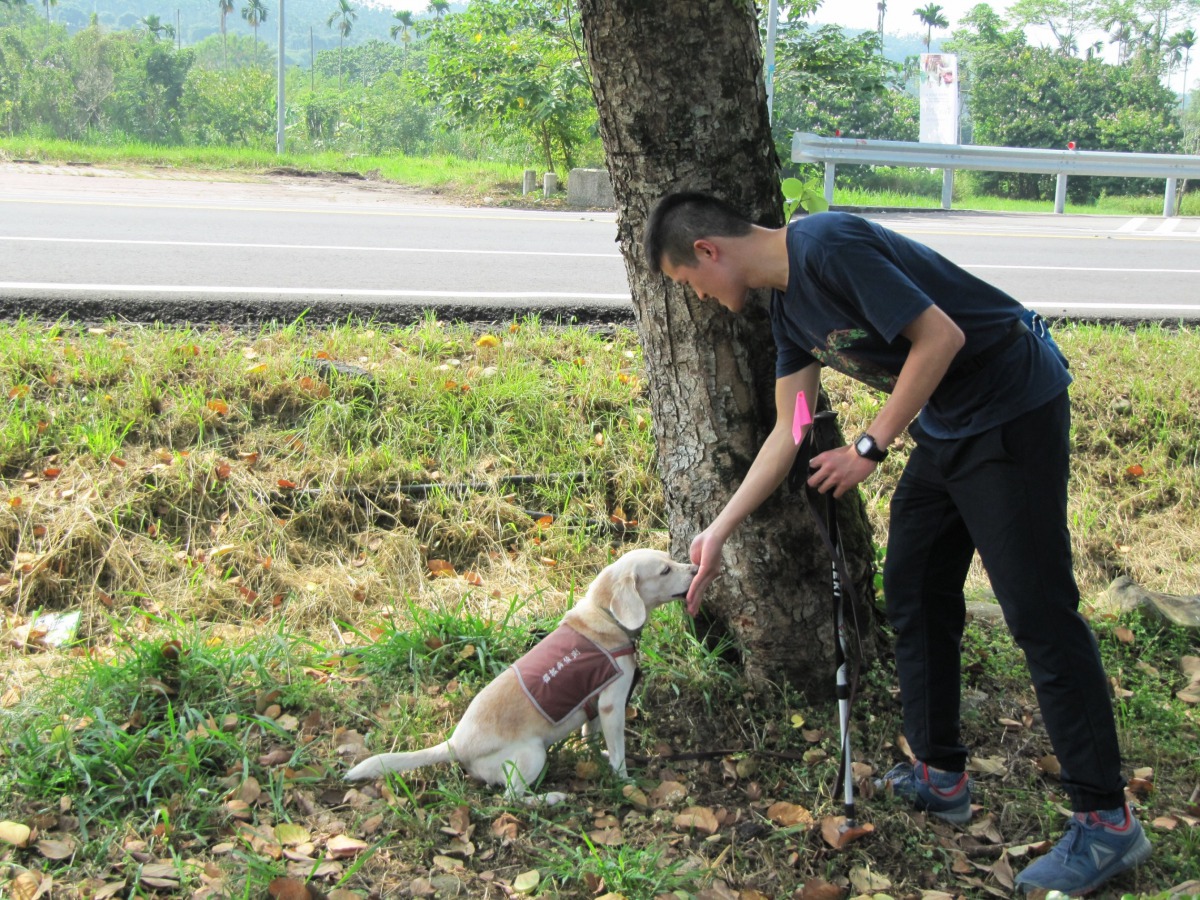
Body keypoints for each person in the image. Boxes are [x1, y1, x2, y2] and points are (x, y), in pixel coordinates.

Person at [642, 191, 1151, 896]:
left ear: (708, 251)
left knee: (1039, 614)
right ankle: (941, 775)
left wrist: (868, 446)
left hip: (1010, 406)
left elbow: (942, 336)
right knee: (912, 589)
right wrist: (720, 529)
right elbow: (789, 430)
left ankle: (1107, 821)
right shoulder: (789, 311)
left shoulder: (826, 246)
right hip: (946, 425)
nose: (696, 296)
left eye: (687, 283)